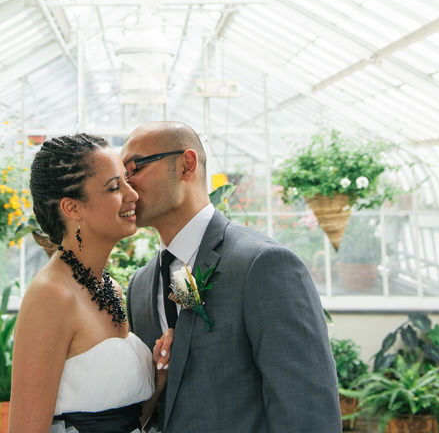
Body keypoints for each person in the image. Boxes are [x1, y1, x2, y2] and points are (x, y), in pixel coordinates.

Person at [122, 121, 343, 433]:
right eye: (120, 176)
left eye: (135, 167)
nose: (125, 186)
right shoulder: (140, 286)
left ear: (187, 165)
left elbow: (307, 409)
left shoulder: (264, 265)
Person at [9, 133, 173, 433]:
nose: (132, 194)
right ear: (72, 208)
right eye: (114, 187)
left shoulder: (110, 288)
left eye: (127, 180)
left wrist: (159, 376)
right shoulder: (51, 296)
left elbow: (123, 418)